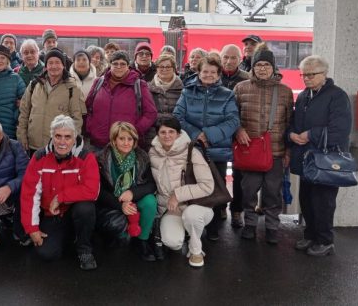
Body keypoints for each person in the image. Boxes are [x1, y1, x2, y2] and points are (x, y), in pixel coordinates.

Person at [288, 55, 352, 256]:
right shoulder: (304, 95)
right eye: (303, 74)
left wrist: (310, 135)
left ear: (324, 74)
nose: (306, 78)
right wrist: (291, 134)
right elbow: (295, 121)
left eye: (311, 74)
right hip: (307, 159)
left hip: (327, 161)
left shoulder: (337, 96)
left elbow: (340, 130)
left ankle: (325, 241)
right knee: (306, 199)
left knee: (323, 202)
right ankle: (310, 235)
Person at [173, 56, 240, 241]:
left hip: (216, 150)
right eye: (205, 71)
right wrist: (197, 135)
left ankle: (214, 228)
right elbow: (178, 116)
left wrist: (209, 135)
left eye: (213, 72)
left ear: (218, 74)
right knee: (192, 185)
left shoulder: (227, 94)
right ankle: (192, 226)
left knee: (217, 188)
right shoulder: (187, 92)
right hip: (193, 148)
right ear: (199, 72)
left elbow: (233, 121)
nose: (209, 75)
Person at [20, 115, 100, 270]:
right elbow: (29, 194)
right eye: (58, 136)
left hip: (76, 211)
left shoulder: (86, 157)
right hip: (53, 215)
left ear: (74, 138)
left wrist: (61, 197)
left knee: (86, 208)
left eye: (67, 137)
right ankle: (69, 236)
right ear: (52, 136)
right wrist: (32, 228)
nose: (62, 142)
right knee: (47, 254)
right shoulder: (39, 157)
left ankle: (84, 249)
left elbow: (92, 191)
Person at [234, 45, 293, 244]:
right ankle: (249, 224)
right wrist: (238, 130)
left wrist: (288, 151)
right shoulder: (240, 88)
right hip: (249, 150)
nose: (262, 69)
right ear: (252, 67)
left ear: (273, 67)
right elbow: (232, 116)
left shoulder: (285, 91)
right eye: (258, 64)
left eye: (266, 65)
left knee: (272, 192)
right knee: (248, 191)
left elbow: (289, 122)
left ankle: (272, 227)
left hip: (276, 150)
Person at [148, 116, 214, 268]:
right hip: (171, 209)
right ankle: (186, 232)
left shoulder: (191, 151)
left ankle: (196, 250)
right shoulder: (153, 153)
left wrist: (177, 195)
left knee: (191, 216)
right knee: (173, 242)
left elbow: (207, 185)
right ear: (157, 134)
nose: (167, 136)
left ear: (178, 134)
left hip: (197, 206)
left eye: (171, 131)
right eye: (162, 132)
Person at [96, 122, 158, 261]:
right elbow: (99, 191)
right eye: (121, 138)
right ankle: (115, 235)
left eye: (130, 139)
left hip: (134, 197)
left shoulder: (142, 157)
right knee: (115, 229)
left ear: (135, 141)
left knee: (149, 202)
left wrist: (132, 193)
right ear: (114, 140)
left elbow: (151, 185)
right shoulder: (101, 159)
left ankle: (142, 240)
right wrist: (121, 205)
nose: (126, 143)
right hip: (113, 201)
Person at [85, 51, 157, 150]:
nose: (119, 67)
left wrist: (134, 131)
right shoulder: (99, 82)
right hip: (98, 144)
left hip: (125, 145)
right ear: (110, 65)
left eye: (123, 64)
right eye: (115, 63)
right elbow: (88, 107)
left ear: (128, 66)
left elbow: (151, 113)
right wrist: (90, 127)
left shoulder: (139, 85)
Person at [17, 48, 84, 154]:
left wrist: (72, 142)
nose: (54, 66)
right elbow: (24, 114)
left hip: (58, 146)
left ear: (63, 65)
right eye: (50, 63)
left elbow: (77, 119)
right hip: (34, 144)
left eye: (57, 62)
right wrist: (22, 136)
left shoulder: (72, 88)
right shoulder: (34, 85)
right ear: (46, 66)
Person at [220, 44, 250, 227]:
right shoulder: (215, 77)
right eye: (226, 57)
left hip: (240, 133)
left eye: (233, 57)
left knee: (240, 174)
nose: (229, 61)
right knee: (219, 172)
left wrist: (240, 128)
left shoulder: (247, 79)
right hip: (220, 134)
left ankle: (237, 210)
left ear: (240, 60)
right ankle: (221, 205)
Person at [144, 54, 183, 150]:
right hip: (152, 137)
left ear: (174, 68)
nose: (164, 69)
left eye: (168, 66)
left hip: (176, 136)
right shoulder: (146, 88)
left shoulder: (182, 89)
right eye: (161, 66)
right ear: (156, 68)